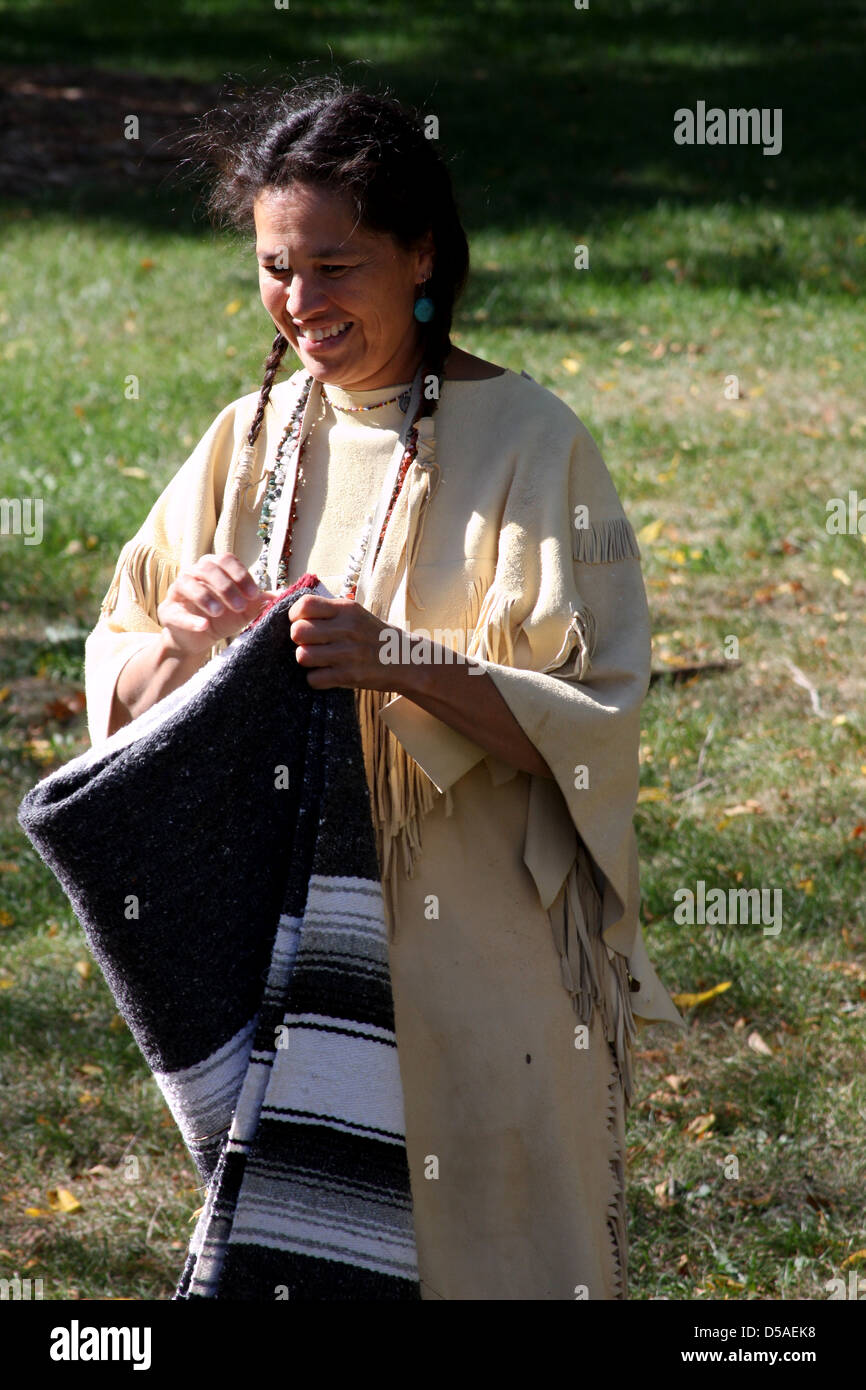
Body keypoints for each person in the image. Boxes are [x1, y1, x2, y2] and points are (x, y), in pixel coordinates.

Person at [83, 77, 682, 1300]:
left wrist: (394, 657)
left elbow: (599, 719)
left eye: (333, 266)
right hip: (284, 961)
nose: (299, 304)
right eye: (273, 268)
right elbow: (120, 696)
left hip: (483, 971)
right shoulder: (246, 440)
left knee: (491, 1254)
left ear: (419, 252)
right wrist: (186, 640)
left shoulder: (528, 441)